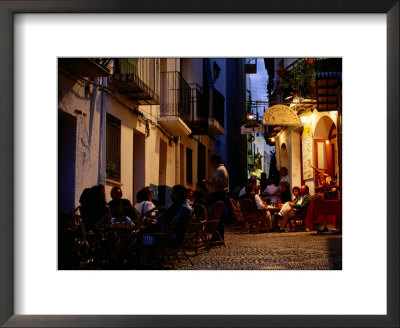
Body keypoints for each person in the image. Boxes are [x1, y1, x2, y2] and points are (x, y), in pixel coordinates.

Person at [204, 153, 229, 240]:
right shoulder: (222, 169)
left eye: (211, 162)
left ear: (215, 162)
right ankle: (219, 236)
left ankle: (217, 236)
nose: (210, 165)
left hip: (217, 195)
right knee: (219, 217)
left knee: (215, 216)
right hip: (220, 195)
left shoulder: (219, 170)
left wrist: (209, 182)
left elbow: (218, 183)